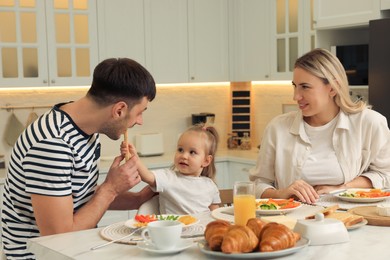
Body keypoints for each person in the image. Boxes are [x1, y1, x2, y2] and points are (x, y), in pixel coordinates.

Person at [1, 58, 157, 259]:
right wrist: (111, 188)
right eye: (139, 113)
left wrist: (139, 199)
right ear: (119, 110)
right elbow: (58, 238)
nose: (140, 121)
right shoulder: (52, 144)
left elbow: (81, 199)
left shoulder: (86, 130)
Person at [249, 48, 390, 204]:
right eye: (295, 86)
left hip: (351, 219)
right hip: (290, 222)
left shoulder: (370, 123)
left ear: (332, 88)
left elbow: (386, 175)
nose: (296, 96)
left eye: (305, 87)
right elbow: (257, 184)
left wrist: (344, 187)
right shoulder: (277, 128)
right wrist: (282, 193)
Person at [122, 124, 221, 215]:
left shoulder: (210, 185)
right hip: (174, 232)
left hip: (202, 231)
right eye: (180, 150)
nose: (184, 156)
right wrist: (134, 157)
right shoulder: (168, 177)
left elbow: (215, 213)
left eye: (192, 152)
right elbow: (147, 176)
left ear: (206, 161)